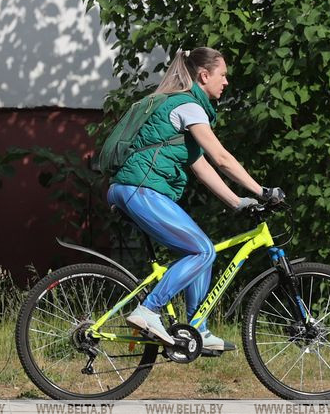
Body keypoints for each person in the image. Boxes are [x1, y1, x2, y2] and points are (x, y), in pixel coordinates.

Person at [107, 46, 284, 351]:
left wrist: (237, 201)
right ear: (204, 75)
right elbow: (221, 158)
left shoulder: (182, 109)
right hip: (141, 189)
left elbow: (201, 167)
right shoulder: (188, 106)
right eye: (222, 75)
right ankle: (148, 310)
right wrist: (262, 191)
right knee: (202, 251)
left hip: (135, 189)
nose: (226, 82)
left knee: (202, 249)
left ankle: (196, 329)